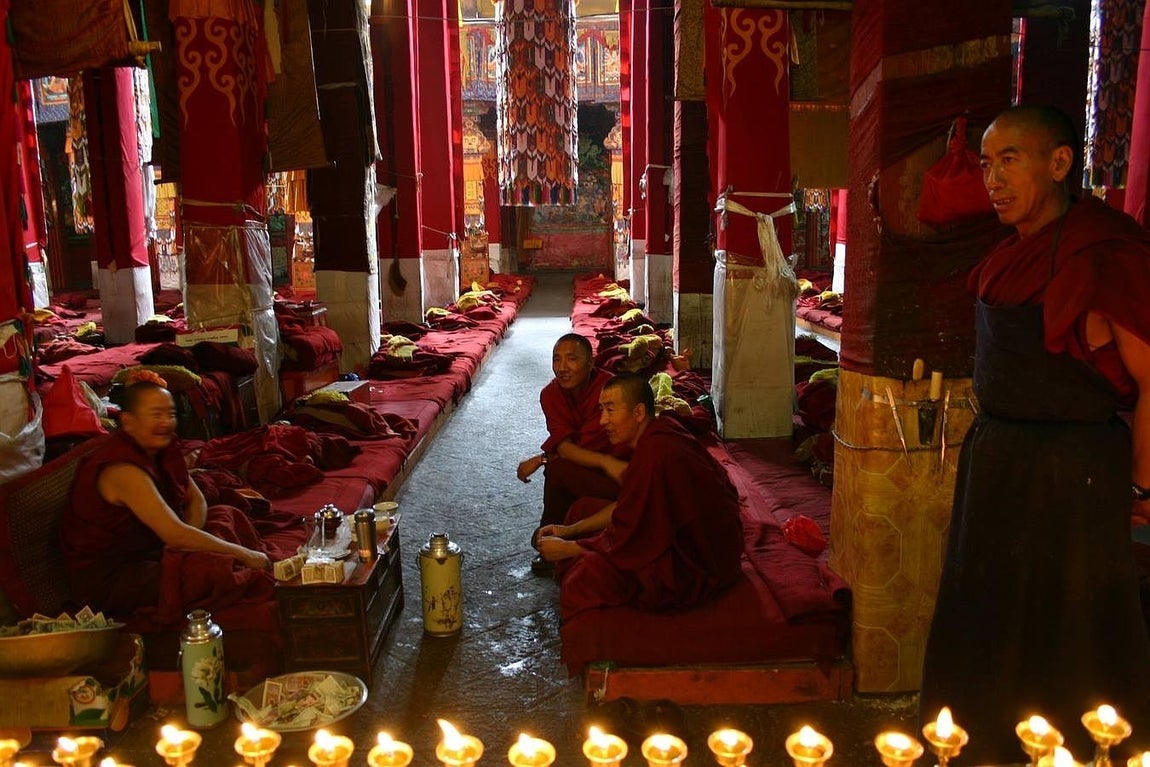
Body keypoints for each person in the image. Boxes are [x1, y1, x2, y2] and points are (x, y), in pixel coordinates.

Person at [920, 104, 1150, 761]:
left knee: (1066, 623)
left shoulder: (1102, 253)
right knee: (986, 608)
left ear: (1058, 162)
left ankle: (1079, 748)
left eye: (1009, 160)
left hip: (1072, 467)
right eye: (987, 164)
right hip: (997, 461)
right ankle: (977, 743)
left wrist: (1142, 483)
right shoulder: (1005, 257)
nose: (993, 178)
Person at [60, 372, 271, 618]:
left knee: (226, 515)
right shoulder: (122, 469)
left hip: (158, 547)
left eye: (170, 414)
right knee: (214, 569)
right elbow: (174, 533)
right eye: (155, 415)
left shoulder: (160, 447)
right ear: (128, 421)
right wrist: (243, 554)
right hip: (119, 576)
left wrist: (188, 544)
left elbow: (196, 499)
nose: (166, 423)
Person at [536, 373, 744, 621]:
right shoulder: (655, 434)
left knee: (585, 576)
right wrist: (569, 531)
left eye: (610, 411)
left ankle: (604, 642)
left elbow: (633, 536)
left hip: (699, 559)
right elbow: (630, 507)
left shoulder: (657, 451)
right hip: (686, 537)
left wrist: (573, 549)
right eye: (601, 410)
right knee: (581, 510)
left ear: (638, 413)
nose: (602, 421)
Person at [517, 333, 627, 574]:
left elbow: (587, 444)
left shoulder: (609, 390)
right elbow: (566, 446)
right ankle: (552, 538)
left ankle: (551, 537)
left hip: (622, 476)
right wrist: (548, 458)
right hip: (593, 469)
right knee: (559, 470)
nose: (562, 367)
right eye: (556, 359)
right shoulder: (551, 394)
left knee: (557, 469)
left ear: (591, 363)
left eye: (572, 359)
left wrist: (544, 459)